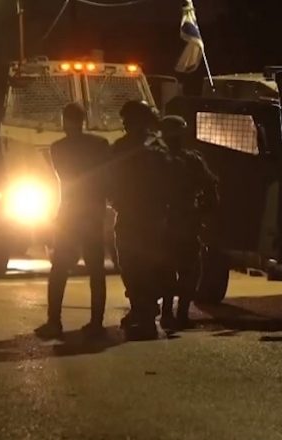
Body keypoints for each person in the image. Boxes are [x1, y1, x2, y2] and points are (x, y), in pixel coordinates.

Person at [35, 103, 110, 340]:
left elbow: (66, 176)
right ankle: (96, 322)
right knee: (96, 269)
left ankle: (54, 322)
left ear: (64, 121)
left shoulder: (58, 148)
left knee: (59, 269)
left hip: (70, 213)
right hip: (94, 212)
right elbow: (105, 177)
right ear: (84, 120)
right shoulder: (100, 145)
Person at [109, 100, 171, 340]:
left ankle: (144, 312)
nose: (126, 124)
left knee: (137, 264)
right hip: (146, 216)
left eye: (129, 119)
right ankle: (141, 309)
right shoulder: (157, 147)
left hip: (140, 216)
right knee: (136, 264)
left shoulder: (128, 147)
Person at [159, 115, 218, 329]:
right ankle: (180, 314)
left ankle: (168, 313)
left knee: (167, 269)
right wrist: (202, 211)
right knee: (189, 270)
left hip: (162, 222)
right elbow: (211, 188)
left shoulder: (157, 159)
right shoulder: (191, 160)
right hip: (185, 221)